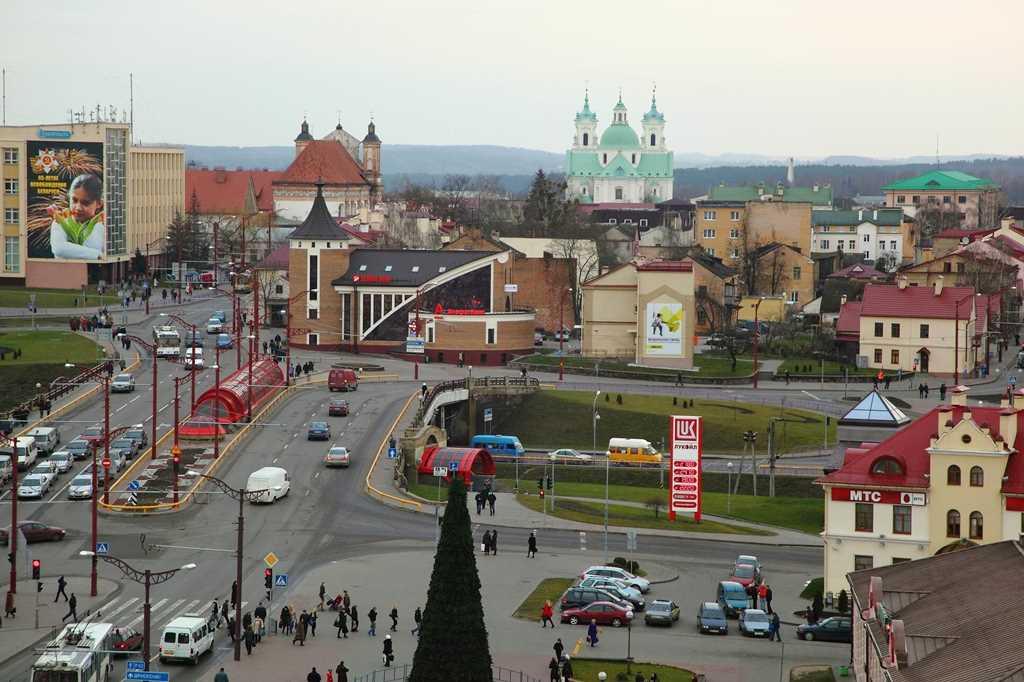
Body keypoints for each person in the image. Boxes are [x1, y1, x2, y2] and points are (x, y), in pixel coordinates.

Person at [49, 174, 105, 259]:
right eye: (74, 200)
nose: (78, 208)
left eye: (85, 203)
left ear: (99, 204)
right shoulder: (61, 219)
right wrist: (98, 255)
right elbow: (59, 249)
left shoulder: (101, 224)